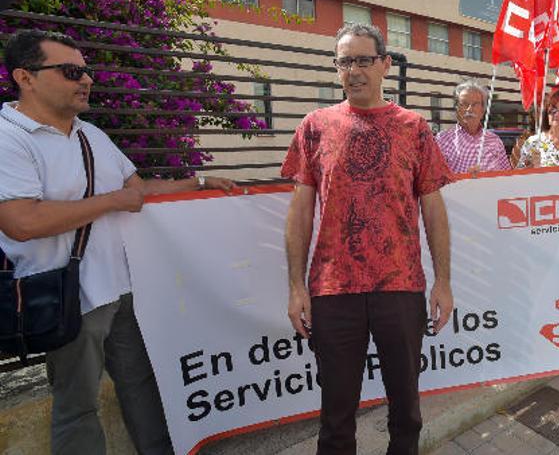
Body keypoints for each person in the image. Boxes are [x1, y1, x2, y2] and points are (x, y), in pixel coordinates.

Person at [0, 29, 235, 454]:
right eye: (71, 71)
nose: (86, 80)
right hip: (67, 297)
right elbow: (21, 221)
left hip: (123, 289)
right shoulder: (8, 137)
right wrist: (110, 201)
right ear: (25, 77)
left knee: (141, 386)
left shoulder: (92, 135)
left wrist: (199, 182)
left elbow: (138, 190)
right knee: (78, 407)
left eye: (86, 71)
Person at [282, 23, 454, 455]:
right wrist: (296, 285)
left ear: (385, 65)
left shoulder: (414, 128)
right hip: (332, 290)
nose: (353, 70)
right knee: (336, 419)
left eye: (363, 60)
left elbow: (433, 209)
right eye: (345, 61)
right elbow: (301, 211)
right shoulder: (314, 127)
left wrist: (444, 282)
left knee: (406, 413)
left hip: (400, 288)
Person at [435, 80, 510, 173]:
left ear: (482, 110)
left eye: (475, 104)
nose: (469, 109)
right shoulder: (443, 139)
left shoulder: (495, 141)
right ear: (457, 109)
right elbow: (434, 178)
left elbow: (506, 174)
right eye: (464, 104)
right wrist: (466, 178)